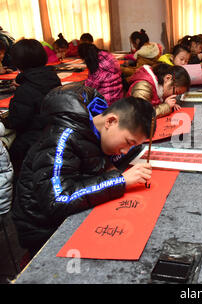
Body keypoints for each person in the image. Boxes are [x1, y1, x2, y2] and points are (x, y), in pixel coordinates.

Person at [12, 83, 155, 257]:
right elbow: (57, 200)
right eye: (128, 142)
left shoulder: (100, 129)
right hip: (44, 228)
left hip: (68, 213)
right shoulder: (63, 138)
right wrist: (120, 181)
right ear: (111, 121)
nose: (126, 150)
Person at [4, 39, 61, 175]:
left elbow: (16, 121)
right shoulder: (53, 78)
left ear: (18, 63)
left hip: (33, 143)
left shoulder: (25, 89)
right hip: (55, 133)